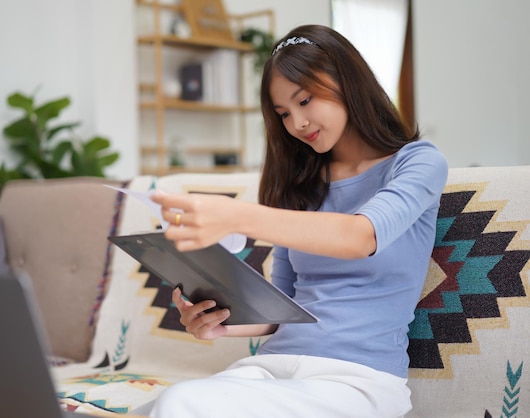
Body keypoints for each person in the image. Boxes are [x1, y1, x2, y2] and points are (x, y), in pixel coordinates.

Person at [145, 24, 448, 418]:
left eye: (305, 100)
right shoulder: (302, 185)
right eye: (284, 113)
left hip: (356, 380)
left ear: (348, 81)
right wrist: (219, 323)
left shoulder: (417, 162)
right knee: (157, 407)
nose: (297, 123)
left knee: (179, 405)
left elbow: (360, 236)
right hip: (271, 368)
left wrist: (237, 215)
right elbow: (282, 308)